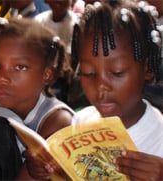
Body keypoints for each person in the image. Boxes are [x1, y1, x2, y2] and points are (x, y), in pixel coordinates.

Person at [22, 0, 163, 180]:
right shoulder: (81, 122)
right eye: (88, 73)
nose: (100, 86)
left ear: (148, 68)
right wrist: (46, 172)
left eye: (116, 72)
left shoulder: (159, 137)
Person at [0, 17, 75, 180]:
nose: (1, 77)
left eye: (19, 67)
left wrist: (34, 170)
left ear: (47, 75)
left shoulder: (55, 120)